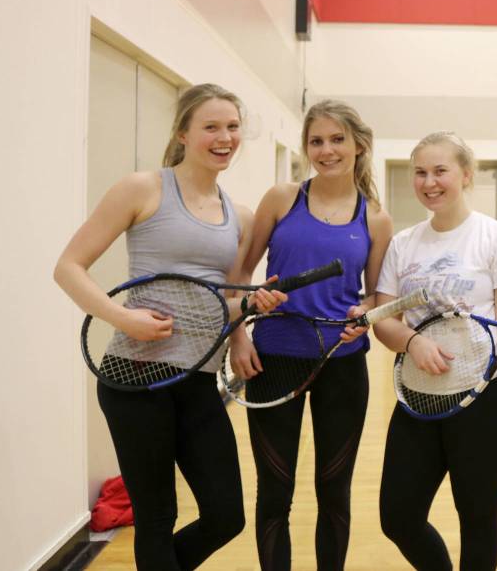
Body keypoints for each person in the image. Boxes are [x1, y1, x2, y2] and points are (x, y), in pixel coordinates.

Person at [55, 83, 284, 570]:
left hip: (198, 380)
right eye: (211, 127)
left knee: (226, 516)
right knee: (157, 517)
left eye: (232, 127)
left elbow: (219, 306)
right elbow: (68, 267)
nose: (224, 137)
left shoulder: (237, 215)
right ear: (183, 133)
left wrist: (252, 307)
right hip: (134, 376)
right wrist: (122, 317)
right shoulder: (143, 188)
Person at [372, 131, 497, 571]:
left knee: (476, 518)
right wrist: (413, 341)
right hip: (418, 396)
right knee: (398, 517)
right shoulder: (404, 244)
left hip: (488, 398)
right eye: (420, 172)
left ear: (466, 175)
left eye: (441, 171)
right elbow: (384, 319)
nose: (429, 182)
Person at [227, 100, 392, 571]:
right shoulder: (281, 198)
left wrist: (366, 314)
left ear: (359, 145)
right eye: (316, 141)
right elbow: (238, 278)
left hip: (341, 365)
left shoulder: (375, 218)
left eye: (337, 139)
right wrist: (240, 338)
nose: (326, 150)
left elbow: (377, 298)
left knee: (333, 490)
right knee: (275, 492)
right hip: (273, 361)